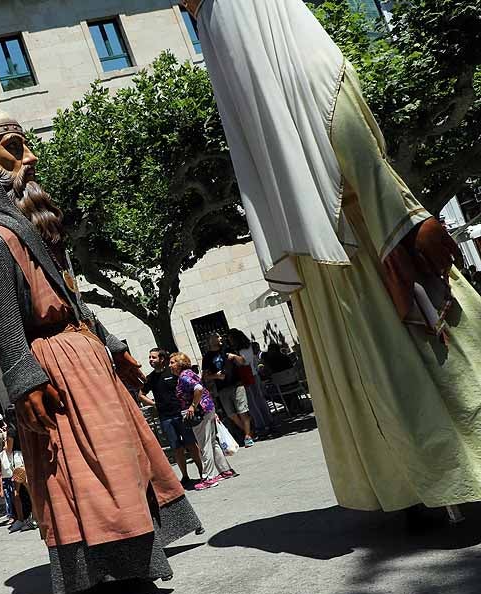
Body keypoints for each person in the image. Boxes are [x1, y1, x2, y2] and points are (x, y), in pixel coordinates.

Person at [183, 0, 481, 515]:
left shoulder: (291, 73)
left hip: (359, 250)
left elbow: (359, 164)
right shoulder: (284, 68)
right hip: (354, 247)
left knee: (401, 367)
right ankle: (427, 483)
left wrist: (399, 223)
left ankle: (421, 483)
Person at [0, 105, 202, 594]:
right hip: (55, 372)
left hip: (86, 357)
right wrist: (25, 380)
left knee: (124, 456)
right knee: (87, 469)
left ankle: (138, 548)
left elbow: (73, 298)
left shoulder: (31, 227)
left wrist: (113, 346)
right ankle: (106, 565)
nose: (31, 157)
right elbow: (3, 322)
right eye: (14, 148)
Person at [170, 353, 237, 490]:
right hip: (208, 409)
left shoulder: (184, 377)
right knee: (211, 442)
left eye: (172, 362)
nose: (170, 365)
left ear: (180, 364)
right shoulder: (190, 373)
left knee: (204, 444)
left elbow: (198, 389)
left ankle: (209, 477)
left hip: (199, 413)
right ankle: (225, 470)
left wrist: (192, 406)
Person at [140, 348, 205, 487]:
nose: (150, 360)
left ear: (162, 359)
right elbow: (141, 395)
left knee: (191, 444)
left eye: (153, 357)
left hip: (181, 414)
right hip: (165, 417)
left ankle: (202, 472)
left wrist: (190, 405)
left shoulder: (173, 373)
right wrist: (155, 404)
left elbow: (190, 386)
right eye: (150, 357)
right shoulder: (150, 378)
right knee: (176, 447)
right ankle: (185, 476)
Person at [202, 333, 255, 447]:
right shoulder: (207, 357)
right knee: (231, 414)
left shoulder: (228, 349)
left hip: (237, 384)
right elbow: (205, 376)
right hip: (222, 389)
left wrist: (234, 356)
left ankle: (247, 436)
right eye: (217, 337)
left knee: (243, 411)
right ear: (210, 340)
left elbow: (243, 362)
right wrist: (216, 376)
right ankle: (249, 431)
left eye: (220, 336)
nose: (220, 338)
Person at [228, 329, 275, 437]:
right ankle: (269, 421)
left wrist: (234, 357)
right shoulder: (248, 346)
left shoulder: (239, 350)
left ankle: (261, 426)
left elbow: (243, 362)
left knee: (252, 403)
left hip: (246, 376)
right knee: (260, 399)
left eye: (230, 338)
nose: (229, 341)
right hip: (254, 374)